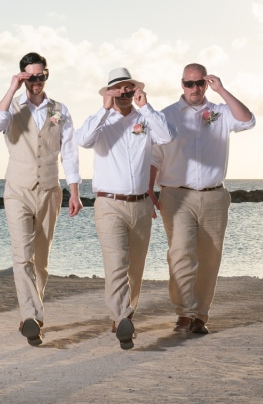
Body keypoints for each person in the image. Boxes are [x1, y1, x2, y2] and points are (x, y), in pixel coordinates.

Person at [150, 63, 255, 334]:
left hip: (214, 196)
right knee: (180, 253)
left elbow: (247, 120)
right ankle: (184, 313)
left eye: (200, 83)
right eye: (189, 83)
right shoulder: (166, 115)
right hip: (176, 196)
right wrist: (149, 190)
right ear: (181, 84)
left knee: (210, 258)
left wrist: (222, 90)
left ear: (206, 84)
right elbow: (154, 156)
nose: (195, 88)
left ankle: (200, 316)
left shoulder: (220, 112)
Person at [0, 52, 83, 346]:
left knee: (40, 258)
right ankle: (30, 315)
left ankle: (35, 314)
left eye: (40, 76)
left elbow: (69, 151)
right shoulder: (11, 107)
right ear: (22, 77)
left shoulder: (59, 109)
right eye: (30, 77)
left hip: (50, 189)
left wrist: (75, 191)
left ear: (47, 75)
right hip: (17, 189)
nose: (36, 82)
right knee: (22, 255)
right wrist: (12, 87)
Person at [76, 67, 172, 350]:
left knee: (135, 269)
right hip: (108, 204)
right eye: (117, 89)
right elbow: (82, 141)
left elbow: (166, 138)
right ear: (108, 93)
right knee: (116, 264)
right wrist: (103, 108)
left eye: (128, 89)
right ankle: (122, 319)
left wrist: (147, 107)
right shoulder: (100, 123)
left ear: (135, 91)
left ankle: (124, 316)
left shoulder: (146, 119)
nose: (123, 93)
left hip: (141, 205)